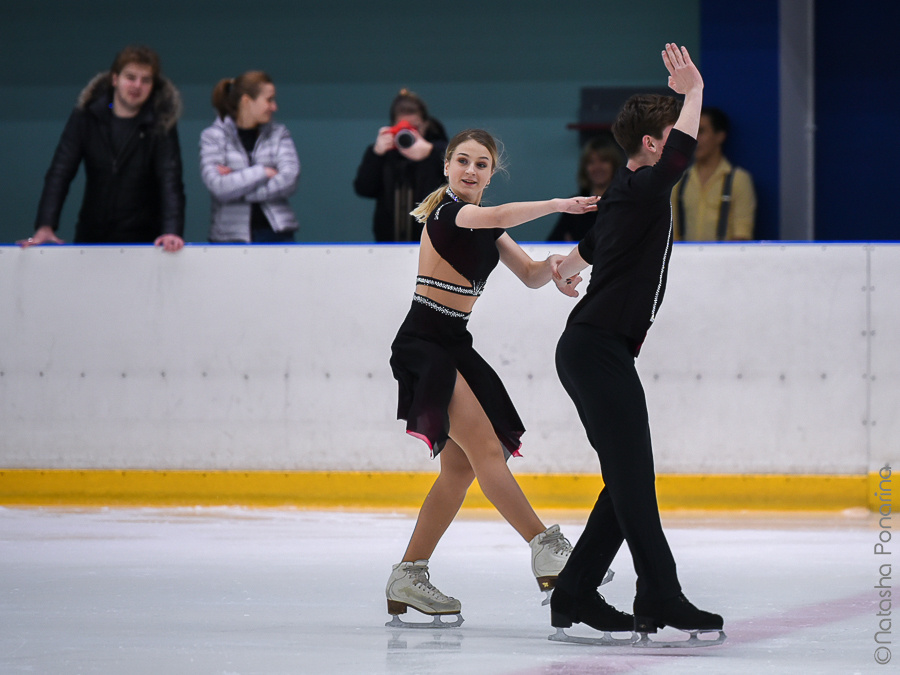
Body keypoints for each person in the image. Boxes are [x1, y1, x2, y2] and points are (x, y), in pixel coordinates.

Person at [385, 128, 603, 627]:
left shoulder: (487, 226)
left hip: (453, 343)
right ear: (446, 166)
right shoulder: (450, 213)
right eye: (462, 161)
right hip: (425, 343)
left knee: (460, 470)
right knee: (486, 450)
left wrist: (559, 265)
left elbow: (529, 274)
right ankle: (544, 547)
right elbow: (499, 216)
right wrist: (557, 205)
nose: (470, 170)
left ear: (490, 174)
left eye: (481, 164)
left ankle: (408, 574)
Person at [547, 44, 726, 645]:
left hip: (595, 349)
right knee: (632, 478)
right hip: (595, 349)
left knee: (625, 480)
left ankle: (575, 590)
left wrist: (565, 267)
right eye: (671, 135)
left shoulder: (630, 191)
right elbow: (679, 157)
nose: (681, 144)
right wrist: (693, 92)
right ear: (651, 144)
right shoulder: (646, 186)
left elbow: (595, 242)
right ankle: (660, 592)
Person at [20, 45, 185, 252]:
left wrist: (172, 231)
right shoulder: (87, 116)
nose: (137, 85)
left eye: (146, 80)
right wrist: (45, 225)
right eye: (130, 77)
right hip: (92, 236)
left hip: (145, 240)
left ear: (153, 86)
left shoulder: (160, 124)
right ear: (115, 79)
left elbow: (170, 179)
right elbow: (60, 171)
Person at [200, 71, 300, 243]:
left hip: (277, 236)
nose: (274, 107)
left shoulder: (279, 134)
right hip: (228, 238)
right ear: (247, 101)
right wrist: (262, 172)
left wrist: (236, 189)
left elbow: (290, 179)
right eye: (269, 100)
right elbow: (217, 186)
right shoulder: (213, 137)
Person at [353, 89, 448, 242]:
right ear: (392, 126)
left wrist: (432, 153)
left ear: (426, 125)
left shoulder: (440, 151)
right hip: (387, 242)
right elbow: (364, 189)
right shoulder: (384, 154)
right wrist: (376, 154)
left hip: (431, 241)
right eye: (403, 129)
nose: (409, 134)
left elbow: (456, 188)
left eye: (415, 128)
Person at [671, 106, 756, 241]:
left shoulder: (738, 180)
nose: (694, 139)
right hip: (685, 254)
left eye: (701, 131)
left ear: (720, 136)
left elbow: (742, 235)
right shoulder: (679, 180)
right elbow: (671, 234)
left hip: (726, 255)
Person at [547, 135, 623, 242]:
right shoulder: (574, 204)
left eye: (603, 160)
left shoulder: (625, 202)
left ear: (614, 164)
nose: (597, 167)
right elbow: (552, 243)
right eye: (591, 162)